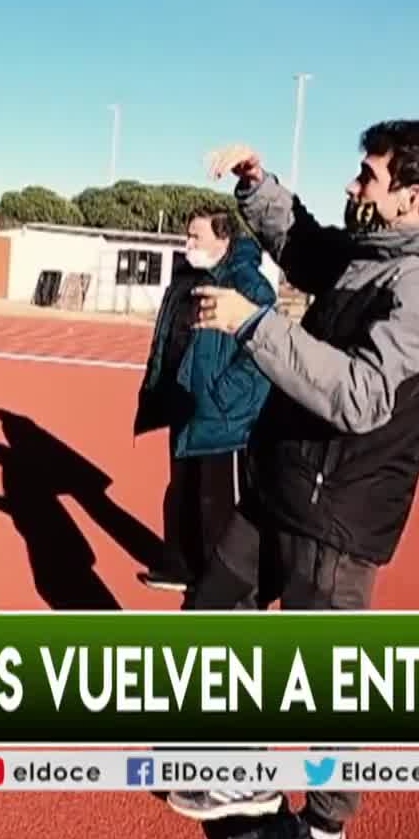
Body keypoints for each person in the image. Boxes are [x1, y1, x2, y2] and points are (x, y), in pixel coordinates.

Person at [170, 120, 419, 839]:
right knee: (214, 608)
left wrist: (255, 325)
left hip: (338, 514)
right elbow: (309, 249)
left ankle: (323, 829)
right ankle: (242, 761)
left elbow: (361, 397)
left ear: (412, 196)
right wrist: (255, 180)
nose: (354, 186)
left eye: (368, 177)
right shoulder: (375, 253)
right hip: (281, 482)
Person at [131, 202, 276, 597]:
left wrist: (221, 396)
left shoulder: (248, 284)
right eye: (188, 234)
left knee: (218, 506)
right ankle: (179, 564)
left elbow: (262, 354)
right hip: (183, 404)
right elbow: (168, 338)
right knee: (182, 492)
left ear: (223, 238)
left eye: (197, 235)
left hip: (224, 417)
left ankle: (221, 588)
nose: (187, 242)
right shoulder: (185, 278)